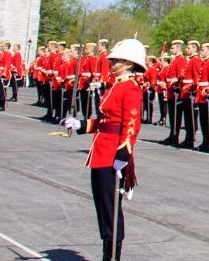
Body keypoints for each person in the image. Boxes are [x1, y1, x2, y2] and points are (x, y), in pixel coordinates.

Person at [63, 38, 145, 261]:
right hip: (101, 151)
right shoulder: (115, 85)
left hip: (113, 155)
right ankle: (107, 253)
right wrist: (82, 125)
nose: (112, 63)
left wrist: (123, 154)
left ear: (128, 64)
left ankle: (112, 257)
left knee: (111, 209)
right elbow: (104, 121)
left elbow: (131, 124)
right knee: (102, 205)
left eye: (116, 60)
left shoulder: (130, 88)